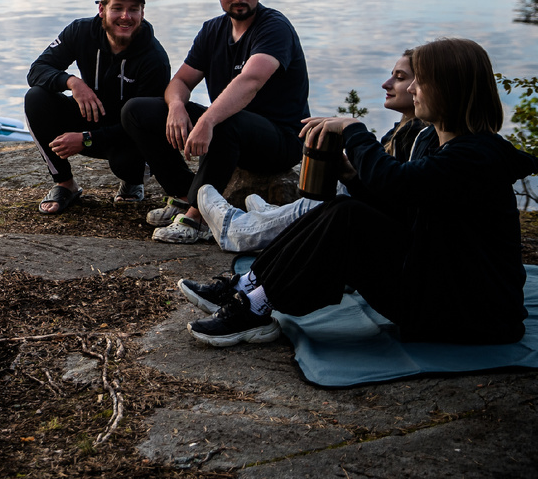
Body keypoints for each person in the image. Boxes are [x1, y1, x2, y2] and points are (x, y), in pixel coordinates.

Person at [180, 37, 537, 347]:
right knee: (341, 207)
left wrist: (354, 130)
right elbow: (403, 208)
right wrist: (352, 176)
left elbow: (394, 181)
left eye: (421, 81)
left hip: (469, 315)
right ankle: (248, 287)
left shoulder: (476, 157)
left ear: (450, 89)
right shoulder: (450, 147)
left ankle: (255, 307)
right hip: (443, 288)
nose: (413, 89)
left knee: (347, 217)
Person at [120, 0, 309, 243]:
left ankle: (197, 219)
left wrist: (207, 120)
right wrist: (177, 106)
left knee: (222, 118)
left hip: (280, 140)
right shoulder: (213, 30)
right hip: (233, 131)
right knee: (136, 111)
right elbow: (181, 81)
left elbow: (250, 81)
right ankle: (185, 194)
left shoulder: (274, 27)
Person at [196, 49, 432, 252]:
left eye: (400, 78)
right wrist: (350, 174)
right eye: (392, 75)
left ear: (424, 87)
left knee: (337, 196)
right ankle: (271, 219)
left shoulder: (419, 136)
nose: (386, 84)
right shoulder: (402, 131)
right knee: (337, 187)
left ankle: (238, 229)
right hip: (373, 220)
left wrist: (354, 134)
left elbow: (392, 192)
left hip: (381, 235)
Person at [26, 0, 171, 214]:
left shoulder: (154, 58)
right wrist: (72, 82)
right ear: (102, 9)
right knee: (36, 98)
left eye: (133, 9)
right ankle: (65, 184)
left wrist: (86, 138)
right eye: (118, 8)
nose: (126, 16)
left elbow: (149, 123)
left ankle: (133, 181)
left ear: (142, 13)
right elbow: (37, 70)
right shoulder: (80, 31)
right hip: (90, 115)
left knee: (126, 163)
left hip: (127, 134)